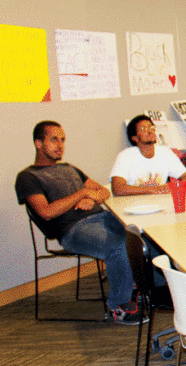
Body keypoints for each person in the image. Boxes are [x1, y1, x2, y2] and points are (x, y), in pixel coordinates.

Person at [16, 121, 141, 324]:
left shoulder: (69, 168)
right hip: (73, 229)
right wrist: (81, 193)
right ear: (38, 143)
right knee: (118, 246)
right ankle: (119, 305)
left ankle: (140, 286)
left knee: (142, 233)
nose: (60, 145)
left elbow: (103, 191)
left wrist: (91, 198)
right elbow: (46, 212)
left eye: (63, 139)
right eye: (54, 139)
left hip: (103, 217)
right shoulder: (27, 177)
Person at [110, 115, 186, 196]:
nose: (150, 131)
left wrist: (173, 186)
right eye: (143, 129)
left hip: (161, 202)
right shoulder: (126, 155)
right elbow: (118, 189)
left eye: (152, 128)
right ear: (134, 138)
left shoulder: (165, 153)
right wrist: (153, 189)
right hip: (134, 205)